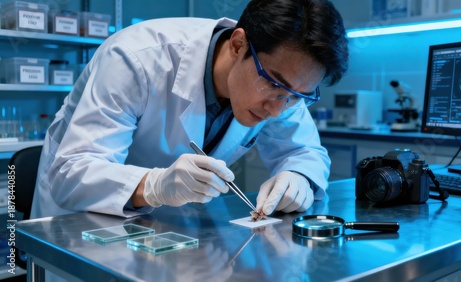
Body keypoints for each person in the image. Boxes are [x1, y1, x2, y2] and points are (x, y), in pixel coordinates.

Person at [31, 0, 349, 219]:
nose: (279, 110)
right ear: (238, 45)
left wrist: (298, 176)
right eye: (274, 86)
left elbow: (305, 151)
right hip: (81, 222)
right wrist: (154, 186)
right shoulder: (136, 58)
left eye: (296, 96)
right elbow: (72, 174)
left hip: (169, 232)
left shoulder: (284, 83)